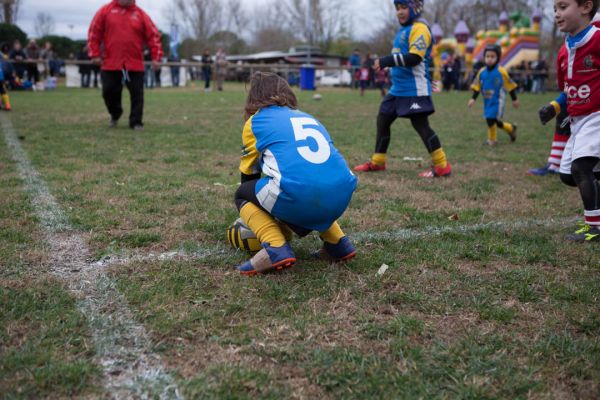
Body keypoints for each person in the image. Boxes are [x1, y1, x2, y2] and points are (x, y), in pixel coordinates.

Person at [233, 72, 357, 275]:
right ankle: (338, 243)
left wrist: (261, 216)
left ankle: (275, 247)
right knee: (309, 183)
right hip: (342, 196)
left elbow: (249, 176)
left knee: (242, 194)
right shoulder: (306, 116)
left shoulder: (256, 122)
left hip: (303, 197)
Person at [354, 0, 452, 178]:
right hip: (397, 89)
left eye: (404, 7)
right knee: (383, 119)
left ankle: (442, 165)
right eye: (397, 8)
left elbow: (415, 58)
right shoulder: (403, 30)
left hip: (414, 89)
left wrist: (386, 61)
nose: (399, 12)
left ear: (416, 8)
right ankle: (378, 162)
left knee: (421, 125)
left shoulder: (420, 28)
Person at [539, 0, 600, 242]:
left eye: (563, 7)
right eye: (555, 9)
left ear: (586, 7)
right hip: (577, 121)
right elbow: (568, 89)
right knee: (567, 175)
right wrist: (554, 107)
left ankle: (594, 228)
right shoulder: (564, 50)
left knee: (581, 168)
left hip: (597, 116)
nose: (556, 14)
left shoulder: (597, 39)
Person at [88, 0, 163, 130]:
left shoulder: (141, 15)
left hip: (133, 64)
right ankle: (115, 113)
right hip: (111, 63)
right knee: (109, 92)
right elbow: (94, 33)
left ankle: (136, 122)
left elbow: (154, 36)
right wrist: (94, 54)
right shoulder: (105, 11)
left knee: (137, 94)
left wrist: (156, 57)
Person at [467, 44, 519, 146]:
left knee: (490, 119)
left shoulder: (501, 72)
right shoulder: (481, 72)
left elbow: (510, 85)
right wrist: (473, 99)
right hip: (487, 101)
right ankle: (510, 128)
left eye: (492, 56)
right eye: (487, 56)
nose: (489, 59)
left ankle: (492, 140)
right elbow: (478, 86)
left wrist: (514, 99)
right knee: (492, 120)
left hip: (498, 100)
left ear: (498, 58)